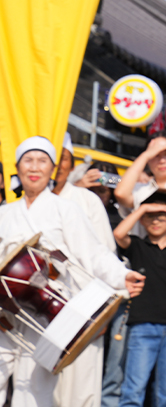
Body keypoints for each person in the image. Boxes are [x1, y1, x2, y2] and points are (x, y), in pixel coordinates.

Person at [0, 137, 144, 407]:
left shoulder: (66, 209)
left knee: (34, 389)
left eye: (42, 161)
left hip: (47, 311)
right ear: (17, 167)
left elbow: (94, 252)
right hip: (5, 311)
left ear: (52, 168)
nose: (35, 167)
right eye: (28, 161)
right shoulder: (4, 214)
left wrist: (121, 276)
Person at [48, 135, 118, 407]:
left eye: (61, 159)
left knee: (82, 389)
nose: (54, 166)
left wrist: (101, 312)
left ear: (71, 163)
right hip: (38, 310)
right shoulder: (18, 204)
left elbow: (106, 258)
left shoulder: (88, 200)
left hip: (84, 307)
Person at [114, 191, 166, 407]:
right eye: (151, 215)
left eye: (162, 214)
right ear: (142, 218)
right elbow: (119, 233)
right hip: (142, 328)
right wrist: (142, 208)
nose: (156, 220)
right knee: (132, 393)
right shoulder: (137, 246)